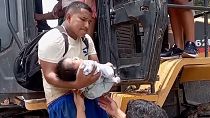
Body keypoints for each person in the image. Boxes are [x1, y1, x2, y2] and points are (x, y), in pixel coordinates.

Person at [38, 1, 108, 118]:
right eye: (83, 19)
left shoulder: (86, 40)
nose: (87, 25)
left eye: (89, 22)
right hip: (63, 100)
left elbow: (96, 64)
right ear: (69, 17)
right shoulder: (53, 39)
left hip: (88, 96)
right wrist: (76, 84)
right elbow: (49, 75)